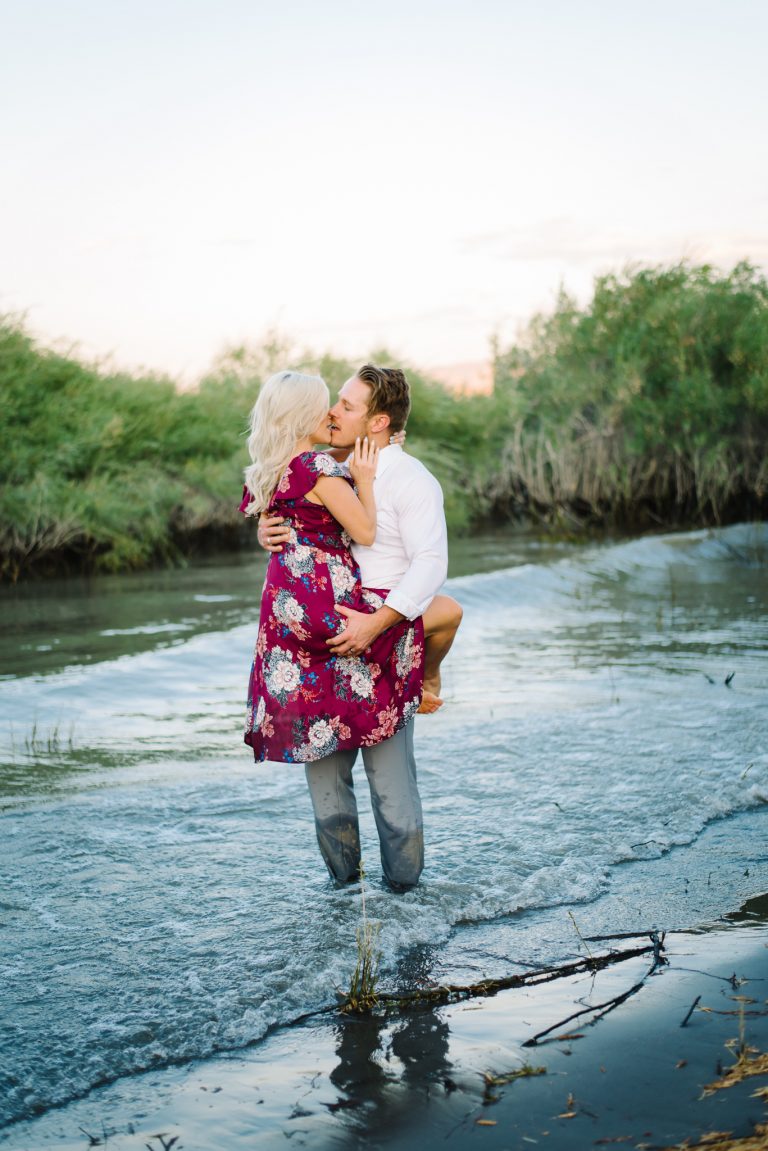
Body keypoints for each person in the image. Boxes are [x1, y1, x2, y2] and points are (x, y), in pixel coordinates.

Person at [257, 363, 463, 892]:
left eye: (347, 406)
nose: (333, 411)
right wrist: (267, 527)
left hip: (380, 643)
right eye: (336, 402)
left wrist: (378, 623)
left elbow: (430, 566)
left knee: (391, 787)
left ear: (378, 422)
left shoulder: (411, 479)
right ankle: (346, 905)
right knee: (326, 784)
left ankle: (407, 910)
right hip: (321, 646)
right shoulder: (327, 469)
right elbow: (299, 523)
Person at [241, 370, 424, 767]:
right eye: (326, 405)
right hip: (323, 599)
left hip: (284, 603)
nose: (332, 412)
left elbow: (290, 505)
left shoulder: (273, 468)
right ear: (304, 415)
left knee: (317, 684)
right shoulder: (318, 469)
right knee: (434, 613)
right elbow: (365, 531)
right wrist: (365, 479)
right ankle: (418, 689)